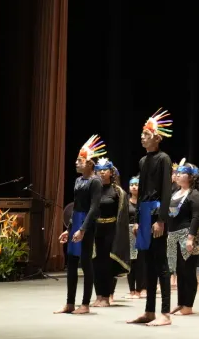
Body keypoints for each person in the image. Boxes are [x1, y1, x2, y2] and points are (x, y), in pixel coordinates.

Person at [128, 109, 174, 327]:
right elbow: (141, 193)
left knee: (161, 263)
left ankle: (165, 313)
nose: (142, 137)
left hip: (156, 215)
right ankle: (149, 311)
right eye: (142, 134)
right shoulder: (143, 161)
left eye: (146, 134)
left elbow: (166, 191)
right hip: (144, 215)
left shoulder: (164, 159)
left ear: (157, 138)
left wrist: (161, 220)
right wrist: (137, 219)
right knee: (147, 263)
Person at [54, 135, 104, 315]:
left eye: (80, 160)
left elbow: (94, 207)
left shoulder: (95, 181)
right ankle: (69, 303)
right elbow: (76, 206)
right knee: (72, 262)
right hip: (76, 221)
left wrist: (82, 229)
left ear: (89, 163)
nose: (76, 163)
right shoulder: (78, 180)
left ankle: (85, 304)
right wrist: (69, 229)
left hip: (87, 224)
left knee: (86, 262)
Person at [167, 160, 199, 316]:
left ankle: (188, 305)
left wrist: (190, 238)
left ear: (191, 177)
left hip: (187, 236)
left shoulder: (195, 195)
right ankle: (180, 303)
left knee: (188, 271)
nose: (177, 175)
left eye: (182, 173)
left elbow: (196, 217)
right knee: (179, 271)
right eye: (177, 173)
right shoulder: (176, 193)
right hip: (174, 236)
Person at [91, 158, 130, 307]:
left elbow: (122, 216)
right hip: (96, 230)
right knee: (96, 264)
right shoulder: (93, 189)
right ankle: (98, 296)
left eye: (105, 170)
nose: (102, 172)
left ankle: (106, 297)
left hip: (111, 230)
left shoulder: (118, 192)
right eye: (99, 170)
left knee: (107, 264)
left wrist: (119, 236)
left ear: (111, 172)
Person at [125, 176, 147, 299]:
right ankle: (132, 290)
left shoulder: (144, 201)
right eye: (131, 184)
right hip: (128, 233)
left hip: (141, 232)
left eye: (136, 184)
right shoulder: (125, 202)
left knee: (141, 262)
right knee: (131, 262)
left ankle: (141, 288)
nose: (134, 187)